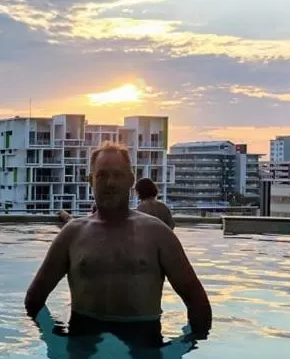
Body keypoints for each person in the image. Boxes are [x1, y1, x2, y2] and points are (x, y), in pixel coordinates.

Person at [24, 141, 212, 342]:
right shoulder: (71, 235)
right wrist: (59, 346)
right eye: (102, 175)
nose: (110, 182)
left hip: (144, 347)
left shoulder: (158, 234)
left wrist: (182, 350)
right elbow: (34, 299)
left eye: (117, 175)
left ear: (130, 180)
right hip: (84, 344)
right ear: (91, 180)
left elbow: (196, 301)